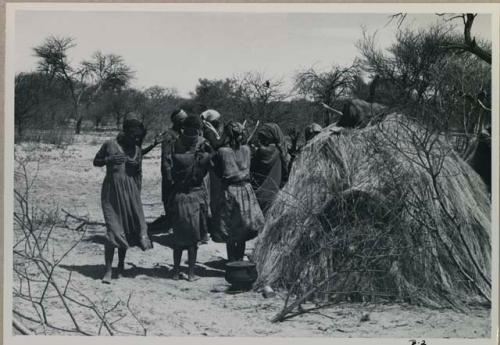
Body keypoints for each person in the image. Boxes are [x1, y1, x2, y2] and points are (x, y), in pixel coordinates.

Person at [93, 115, 153, 284]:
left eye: (138, 137)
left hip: (131, 194)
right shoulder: (110, 145)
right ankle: (108, 270)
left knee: (126, 230)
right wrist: (109, 160)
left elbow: (139, 175)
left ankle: (120, 265)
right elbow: (96, 162)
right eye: (133, 135)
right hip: (112, 193)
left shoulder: (137, 150)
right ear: (125, 132)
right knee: (113, 231)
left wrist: (136, 198)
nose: (135, 139)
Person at [165, 115, 212, 281]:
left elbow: (168, 171)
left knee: (178, 237)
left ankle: (176, 271)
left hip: (179, 196)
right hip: (196, 196)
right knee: (193, 239)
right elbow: (208, 168)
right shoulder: (203, 150)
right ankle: (191, 273)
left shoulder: (175, 146)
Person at [212, 121, 265, 262]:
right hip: (246, 190)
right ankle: (240, 261)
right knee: (242, 229)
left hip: (229, 191)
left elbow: (218, 172)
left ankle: (231, 262)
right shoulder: (247, 149)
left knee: (230, 229)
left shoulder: (222, 152)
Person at [250, 122, 289, 214]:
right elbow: (285, 174)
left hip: (258, 193)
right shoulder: (282, 152)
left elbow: (252, 168)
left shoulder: (261, 151)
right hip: (274, 194)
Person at [161, 109, 188, 215]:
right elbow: (166, 157)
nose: (185, 121)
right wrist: (168, 175)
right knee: (169, 195)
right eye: (183, 119)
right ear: (177, 121)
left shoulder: (182, 133)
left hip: (180, 170)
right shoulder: (168, 135)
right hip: (171, 170)